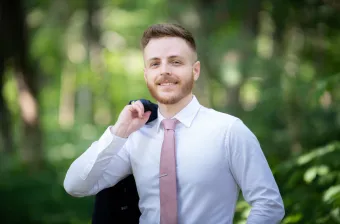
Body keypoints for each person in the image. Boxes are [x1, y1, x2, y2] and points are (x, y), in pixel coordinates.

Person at [64, 23, 285, 224]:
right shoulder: (135, 136)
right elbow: (75, 185)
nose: (164, 71)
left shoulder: (229, 131)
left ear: (195, 70)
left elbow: (268, 204)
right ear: (146, 74)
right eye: (155, 64)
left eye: (175, 62)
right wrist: (119, 131)